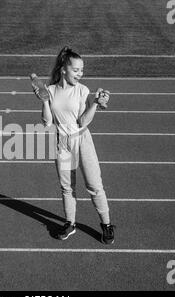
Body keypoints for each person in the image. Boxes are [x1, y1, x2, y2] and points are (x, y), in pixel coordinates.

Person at [33, 46, 115, 244]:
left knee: (94, 185)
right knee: (67, 187)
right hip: (62, 142)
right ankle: (70, 223)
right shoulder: (51, 91)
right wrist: (44, 101)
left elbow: (83, 122)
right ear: (63, 69)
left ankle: (106, 225)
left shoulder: (82, 90)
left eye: (82, 70)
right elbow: (47, 122)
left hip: (82, 140)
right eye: (76, 70)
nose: (80, 73)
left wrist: (95, 102)